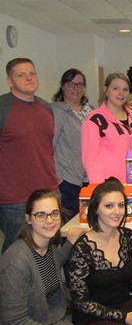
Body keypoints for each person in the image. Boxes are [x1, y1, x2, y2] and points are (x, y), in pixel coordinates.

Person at [66, 177, 132, 325]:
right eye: (109, 206)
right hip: (93, 315)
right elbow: (81, 303)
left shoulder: (127, 236)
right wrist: (122, 317)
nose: (117, 211)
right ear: (95, 209)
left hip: (123, 305)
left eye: (121, 205)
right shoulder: (82, 248)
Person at [0, 189, 85, 324]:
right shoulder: (16, 263)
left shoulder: (46, 246)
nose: (50, 220)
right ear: (28, 219)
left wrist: (70, 243)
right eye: (41, 215)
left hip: (49, 317)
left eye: (54, 213)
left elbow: (53, 264)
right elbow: (14, 321)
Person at [0, 58, 58, 252]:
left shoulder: (45, 107)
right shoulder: (3, 107)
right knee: (17, 250)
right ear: (10, 81)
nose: (28, 78)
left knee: (48, 247)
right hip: (15, 199)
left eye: (32, 73)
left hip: (48, 192)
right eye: (21, 75)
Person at [52, 68, 95, 220]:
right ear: (63, 86)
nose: (76, 89)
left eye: (80, 85)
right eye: (71, 84)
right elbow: (49, 146)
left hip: (89, 179)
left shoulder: (90, 110)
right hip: (69, 181)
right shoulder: (57, 111)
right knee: (70, 227)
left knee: (88, 223)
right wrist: (59, 178)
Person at [81, 72, 132, 184]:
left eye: (125, 89)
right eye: (116, 88)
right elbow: (90, 159)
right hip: (109, 187)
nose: (121, 93)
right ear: (106, 90)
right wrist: (99, 188)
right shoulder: (94, 119)